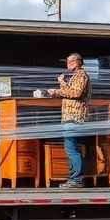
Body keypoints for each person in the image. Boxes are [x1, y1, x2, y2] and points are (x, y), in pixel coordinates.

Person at [47, 53, 91, 188]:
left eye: (70, 61)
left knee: (71, 149)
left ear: (77, 62)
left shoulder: (81, 75)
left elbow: (76, 94)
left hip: (75, 117)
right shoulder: (75, 76)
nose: (67, 64)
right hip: (70, 116)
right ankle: (74, 178)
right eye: (67, 62)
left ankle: (76, 179)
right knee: (70, 148)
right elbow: (71, 91)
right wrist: (61, 83)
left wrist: (56, 92)